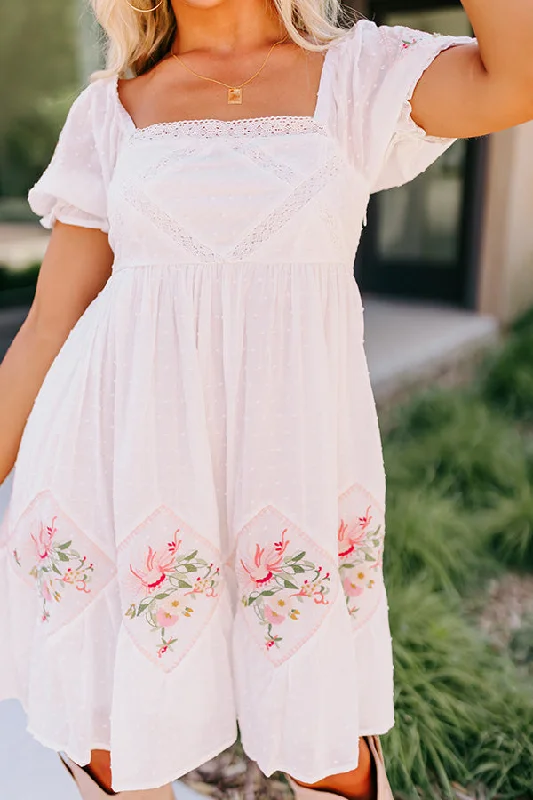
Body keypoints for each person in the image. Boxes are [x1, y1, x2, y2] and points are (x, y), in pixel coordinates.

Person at [1, 0, 532, 797]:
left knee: (328, 750)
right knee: (108, 736)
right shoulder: (112, 109)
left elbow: (514, 78)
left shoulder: (359, 74)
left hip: (292, 470)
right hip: (114, 464)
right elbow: (48, 326)